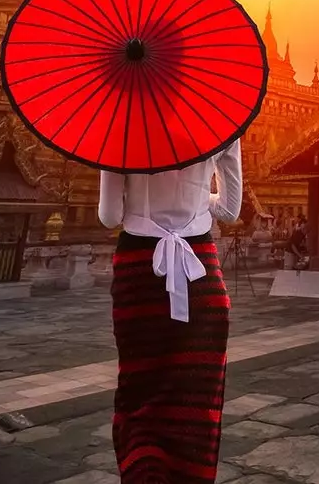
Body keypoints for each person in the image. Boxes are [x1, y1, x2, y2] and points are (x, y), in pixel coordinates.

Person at [99, 137, 243, 484]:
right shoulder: (222, 123)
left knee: (141, 394)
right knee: (194, 402)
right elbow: (230, 210)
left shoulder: (122, 125)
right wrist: (196, 200)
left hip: (140, 274)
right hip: (201, 275)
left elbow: (109, 216)